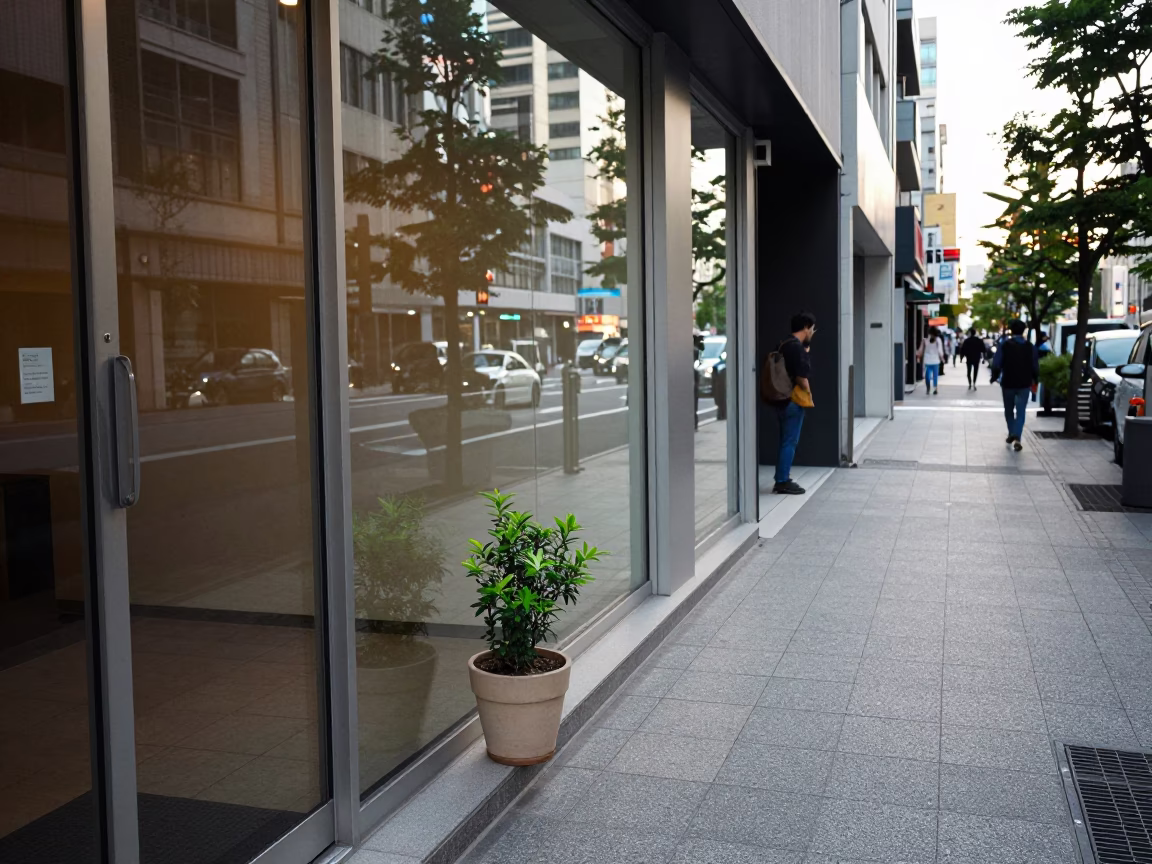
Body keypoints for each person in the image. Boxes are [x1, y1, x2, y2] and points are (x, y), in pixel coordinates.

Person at [769, 312, 816, 495]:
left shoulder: (784, 344)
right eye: (812, 328)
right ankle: (782, 481)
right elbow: (802, 376)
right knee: (790, 441)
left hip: (781, 399)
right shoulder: (795, 348)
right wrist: (809, 393)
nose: (812, 332)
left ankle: (781, 477)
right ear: (806, 327)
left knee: (785, 440)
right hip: (793, 400)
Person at [991, 319, 1040, 451]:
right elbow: (1035, 366)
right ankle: (1017, 436)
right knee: (1021, 411)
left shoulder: (1004, 345)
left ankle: (1012, 432)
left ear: (1011, 330)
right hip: (1025, 383)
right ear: (1023, 330)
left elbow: (996, 363)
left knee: (1008, 410)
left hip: (1008, 382)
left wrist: (994, 376)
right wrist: (1035, 379)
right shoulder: (1031, 347)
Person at [917, 327, 945, 395]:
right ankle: (934, 388)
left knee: (928, 376)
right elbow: (940, 350)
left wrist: (918, 356)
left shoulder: (925, 340)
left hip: (928, 361)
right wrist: (942, 358)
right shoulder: (937, 340)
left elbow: (920, 350)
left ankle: (928, 388)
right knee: (935, 376)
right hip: (935, 361)